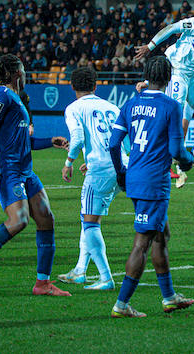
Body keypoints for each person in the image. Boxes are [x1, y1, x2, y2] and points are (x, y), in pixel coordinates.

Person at [0, 54, 72, 297]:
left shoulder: (17, 100)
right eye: (22, 68)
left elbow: (23, 141)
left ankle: (42, 283)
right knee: (19, 220)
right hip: (8, 170)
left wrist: (50, 142)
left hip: (25, 170)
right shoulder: (2, 96)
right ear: (15, 73)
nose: (25, 73)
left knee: (46, 218)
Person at [108, 56, 194, 317]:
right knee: (142, 242)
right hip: (154, 182)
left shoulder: (131, 103)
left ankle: (169, 297)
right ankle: (122, 304)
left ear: (147, 75)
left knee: (161, 234)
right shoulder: (171, 106)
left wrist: (120, 172)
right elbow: (175, 149)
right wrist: (188, 160)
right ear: (168, 78)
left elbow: (114, 144)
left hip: (134, 177)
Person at [57, 67, 123, 290]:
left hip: (101, 170)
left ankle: (105, 278)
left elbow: (76, 138)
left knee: (90, 222)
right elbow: (121, 140)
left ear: (73, 87)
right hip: (121, 167)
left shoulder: (74, 108)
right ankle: (79, 270)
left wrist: (69, 162)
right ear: (95, 86)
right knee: (89, 219)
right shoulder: (112, 107)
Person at [134, 14, 194, 180]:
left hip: (193, 77)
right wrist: (149, 47)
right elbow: (172, 28)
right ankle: (163, 163)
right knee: (175, 118)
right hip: (178, 73)